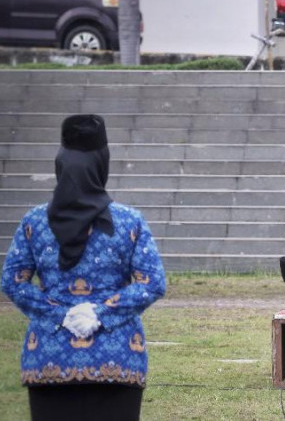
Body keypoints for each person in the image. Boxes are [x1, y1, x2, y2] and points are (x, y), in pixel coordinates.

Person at [1, 114, 166, 421]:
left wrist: (58, 313)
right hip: (118, 357)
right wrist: (100, 312)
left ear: (60, 164)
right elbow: (152, 282)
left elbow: (12, 281)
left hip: (49, 357)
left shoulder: (34, 222)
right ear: (102, 164)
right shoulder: (129, 221)